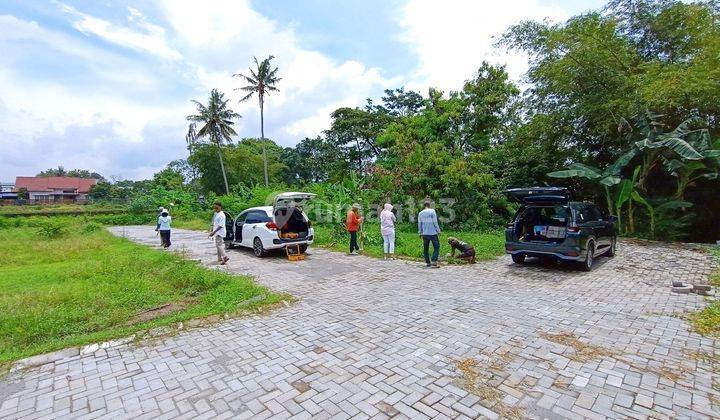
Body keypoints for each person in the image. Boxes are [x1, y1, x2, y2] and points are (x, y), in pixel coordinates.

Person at [418, 200, 441, 268]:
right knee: (436, 247)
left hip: (425, 233)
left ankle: (428, 262)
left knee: (426, 248)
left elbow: (420, 224)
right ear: (429, 205)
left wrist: (420, 232)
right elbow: (435, 222)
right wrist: (438, 230)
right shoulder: (432, 211)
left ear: (424, 205)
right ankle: (433, 261)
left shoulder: (420, 213)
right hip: (433, 233)